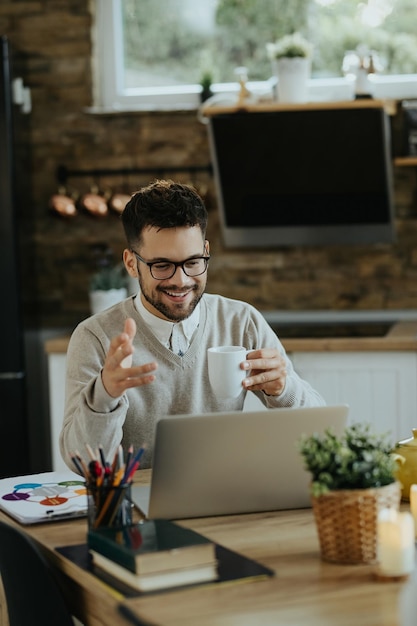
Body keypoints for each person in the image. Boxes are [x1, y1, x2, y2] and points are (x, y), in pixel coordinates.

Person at [60, 179, 325, 471]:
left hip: (225, 498)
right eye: (162, 265)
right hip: (134, 508)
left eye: (193, 261)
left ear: (206, 250)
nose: (181, 280)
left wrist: (284, 389)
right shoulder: (95, 337)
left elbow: (321, 434)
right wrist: (104, 395)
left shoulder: (240, 321)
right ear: (131, 263)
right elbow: (82, 464)